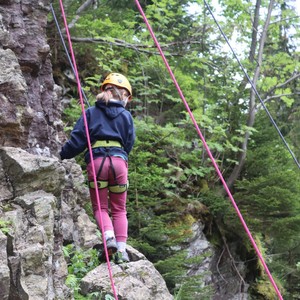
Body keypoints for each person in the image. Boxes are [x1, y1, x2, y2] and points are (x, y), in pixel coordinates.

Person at [60, 73, 135, 263]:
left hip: (97, 162)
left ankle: (108, 239)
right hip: (119, 163)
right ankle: (122, 251)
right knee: (119, 209)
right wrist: (120, 156)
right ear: (124, 95)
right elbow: (129, 142)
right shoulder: (126, 116)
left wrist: (61, 155)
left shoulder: (91, 112)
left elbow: (77, 141)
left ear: (105, 90)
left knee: (101, 207)